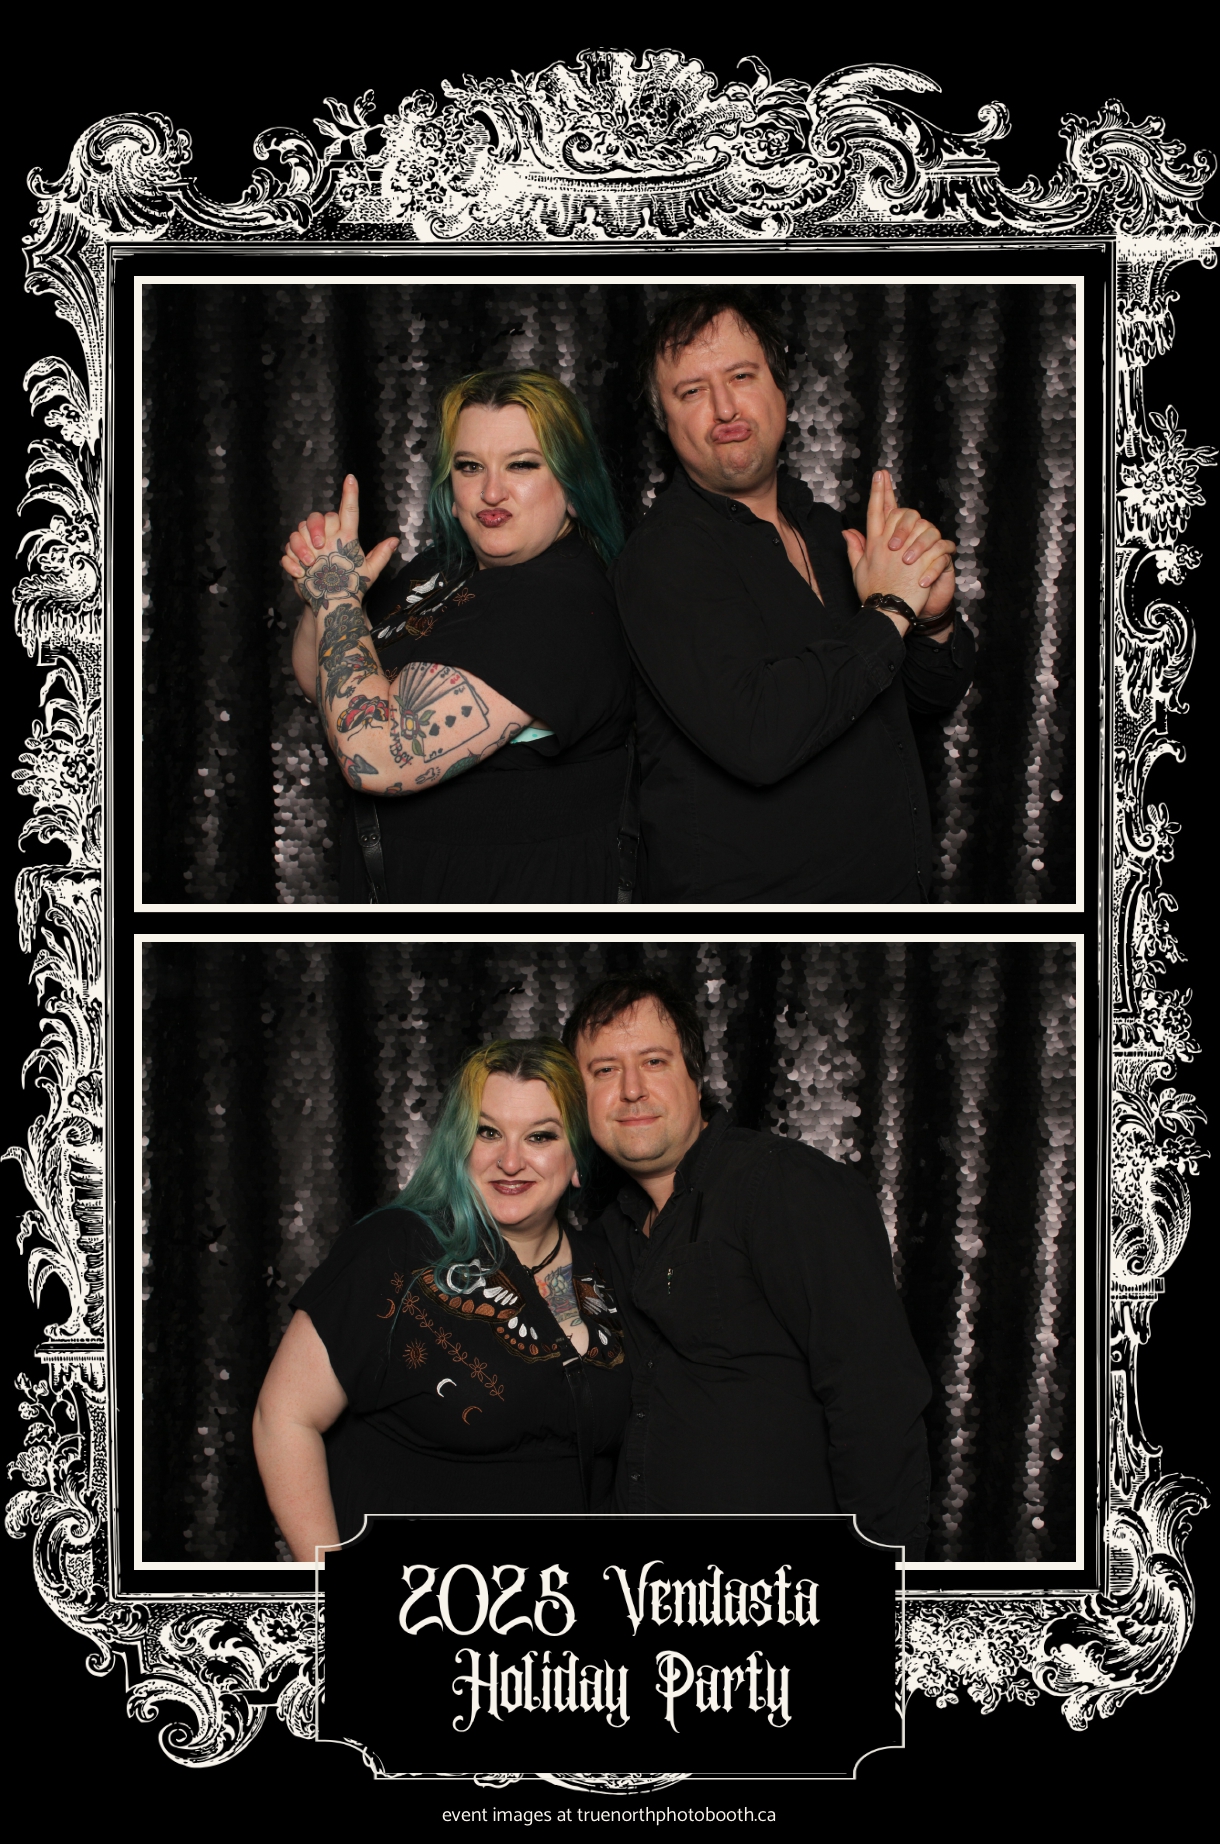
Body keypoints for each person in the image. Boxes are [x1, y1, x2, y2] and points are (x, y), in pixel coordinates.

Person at [611, 292, 977, 903]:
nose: (724, 407)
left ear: (781, 391)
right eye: (692, 391)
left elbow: (917, 701)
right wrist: (890, 610)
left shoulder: (828, 532)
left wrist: (931, 619)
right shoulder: (663, 558)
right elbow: (759, 735)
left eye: (741, 376)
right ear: (664, 421)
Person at [563, 971, 932, 1554]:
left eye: (654, 1062)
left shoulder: (785, 1187)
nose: (631, 1089)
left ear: (695, 1075)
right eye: (604, 1071)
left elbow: (876, 1400)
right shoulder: (609, 1233)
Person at [253, 1039, 629, 1558]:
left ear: (576, 1160)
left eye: (540, 1136)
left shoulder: (610, 1263)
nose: (510, 1160)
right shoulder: (398, 1252)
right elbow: (284, 1418)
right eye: (487, 1132)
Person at [281, 370, 633, 903]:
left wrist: (338, 598)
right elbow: (324, 683)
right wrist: (322, 593)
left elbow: (373, 755)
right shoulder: (447, 568)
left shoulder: (556, 603)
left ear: (574, 487)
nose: (491, 491)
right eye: (470, 466)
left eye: (522, 464)